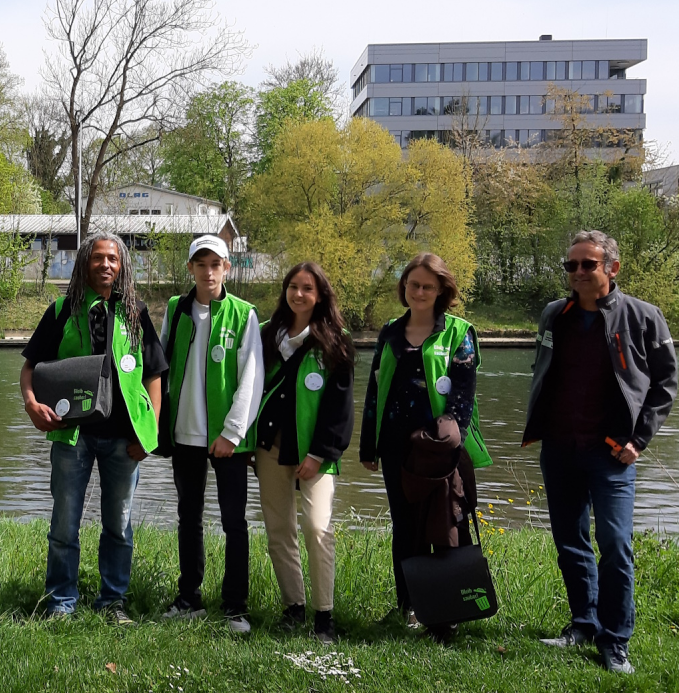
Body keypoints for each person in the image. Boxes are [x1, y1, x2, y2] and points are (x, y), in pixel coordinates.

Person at [524, 230, 677, 675]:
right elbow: (543, 375)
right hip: (560, 449)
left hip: (612, 453)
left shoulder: (644, 317)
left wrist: (639, 439)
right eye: (571, 266)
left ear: (612, 267)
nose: (577, 273)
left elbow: (665, 385)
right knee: (571, 542)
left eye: (586, 264)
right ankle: (583, 624)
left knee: (614, 543)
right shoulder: (555, 316)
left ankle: (616, 641)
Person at [20, 233, 166, 623]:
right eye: (98, 258)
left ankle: (112, 601)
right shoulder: (62, 311)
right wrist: (32, 405)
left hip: (124, 439)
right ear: (85, 262)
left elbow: (154, 375)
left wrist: (147, 432)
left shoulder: (136, 313)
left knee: (118, 525)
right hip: (73, 436)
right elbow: (30, 368)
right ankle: (61, 603)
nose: (106, 265)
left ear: (122, 267)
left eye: (113, 259)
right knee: (64, 524)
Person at [359, 252, 491, 638]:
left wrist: (450, 440)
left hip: (438, 447)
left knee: (445, 523)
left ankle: (448, 612)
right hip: (397, 446)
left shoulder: (458, 332)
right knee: (405, 527)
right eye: (413, 284)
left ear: (441, 291)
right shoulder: (389, 331)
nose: (419, 291)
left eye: (427, 286)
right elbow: (374, 390)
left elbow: (463, 396)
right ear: (404, 288)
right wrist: (369, 445)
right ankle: (409, 607)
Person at [155, 235, 263, 634]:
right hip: (185, 435)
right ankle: (189, 598)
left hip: (226, 440)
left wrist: (233, 432)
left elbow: (252, 377)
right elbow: (161, 365)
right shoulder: (176, 309)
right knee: (189, 518)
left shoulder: (243, 313)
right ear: (191, 269)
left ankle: (235, 606)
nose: (208, 271)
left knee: (234, 521)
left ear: (227, 268)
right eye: (201, 264)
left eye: (216, 264)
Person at [255, 262, 354, 643]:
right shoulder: (267, 336)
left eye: (307, 288)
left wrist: (319, 453)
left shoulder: (334, 341)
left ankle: (324, 616)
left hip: (315, 452)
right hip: (271, 447)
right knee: (279, 529)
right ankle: (293, 607)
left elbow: (340, 408)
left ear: (320, 295)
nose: (299, 294)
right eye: (293, 286)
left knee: (317, 527)